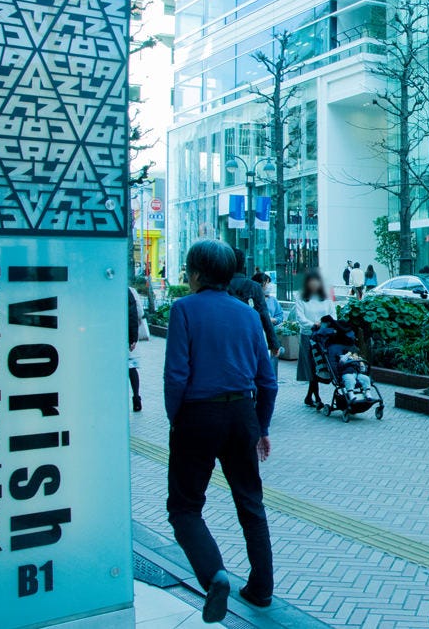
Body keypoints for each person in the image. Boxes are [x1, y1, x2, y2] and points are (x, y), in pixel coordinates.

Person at [164, 240, 277, 621]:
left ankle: (214, 575)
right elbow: (269, 381)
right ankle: (262, 588)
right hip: (242, 413)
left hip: (197, 415)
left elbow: (176, 375)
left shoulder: (183, 309)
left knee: (184, 507)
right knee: (250, 502)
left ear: (195, 273)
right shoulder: (247, 315)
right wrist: (261, 426)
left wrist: (175, 419)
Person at [293, 270, 336, 408]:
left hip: (324, 336)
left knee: (321, 365)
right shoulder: (301, 297)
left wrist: (325, 325)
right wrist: (313, 324)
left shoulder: (326, 298)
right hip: (308, 335)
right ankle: (316, 397)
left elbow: (333, 315)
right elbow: (300, 318)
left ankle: (310, 397)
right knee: (311, 367)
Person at [228, 249, 280, 357]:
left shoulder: (221, 285)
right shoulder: (254, 286)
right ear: (243, 264)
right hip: (250, 335)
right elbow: (264, 314)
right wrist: (273, 343)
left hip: (227, 335)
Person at [128, 287, 143, 412]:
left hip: (110, 336)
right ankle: (136, 398)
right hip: (127, 336)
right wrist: (133, 338)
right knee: (131, 367)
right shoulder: (131, 291)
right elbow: (138, 313)